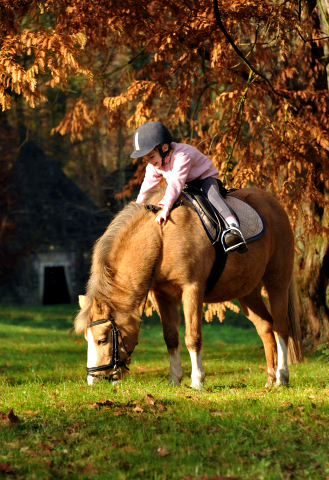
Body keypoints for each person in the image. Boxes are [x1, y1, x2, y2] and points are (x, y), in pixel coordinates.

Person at [131, 121, 247, 253]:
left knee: (212, 196)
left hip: (204, 178)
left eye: (151, 156)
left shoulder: (182, 155)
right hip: (186, 184)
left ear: (163, 148)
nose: (150, 162)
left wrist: (166, 207)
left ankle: (233, 228)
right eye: (146, 159)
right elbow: (147, 186)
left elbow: (176, 182)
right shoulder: (154, 165)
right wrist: (138, 207)